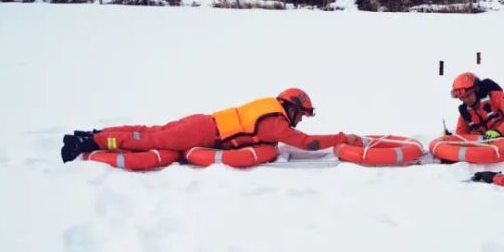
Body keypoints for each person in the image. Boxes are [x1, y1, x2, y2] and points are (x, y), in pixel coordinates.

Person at [61, 88, 363, 163]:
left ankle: (92, 134)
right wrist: (342, 137)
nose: (300, 121)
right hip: (205, 132)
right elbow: (306, 143)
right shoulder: (275, 123)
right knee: (148, 140)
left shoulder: (269, 108)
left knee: (150, 131)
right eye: (302, 115)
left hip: (203, 121)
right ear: (293, 108)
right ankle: (89, 144)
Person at [449, 72, 504, 145]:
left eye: (468, 95)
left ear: (477, 90)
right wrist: (451, 139)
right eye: (462, 98)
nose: (466, 100)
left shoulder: (496, 97)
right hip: (491, 150)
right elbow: (461, 138)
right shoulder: (465, 113)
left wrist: (498, 132)